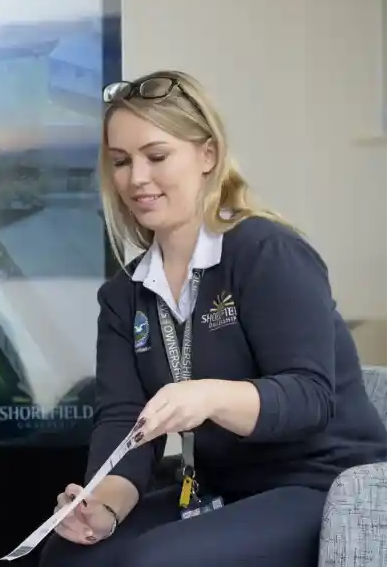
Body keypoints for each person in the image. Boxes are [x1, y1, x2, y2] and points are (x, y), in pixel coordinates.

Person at [38, 70, 387, 567]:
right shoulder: (124, 296)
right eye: (121, 162)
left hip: (322, 485)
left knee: (157, 563)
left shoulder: (265, 251)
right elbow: (123, 422)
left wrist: (208, 395)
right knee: (68, 557)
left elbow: (311, 396)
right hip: (225, 490)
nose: (137, 178)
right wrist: (103, 509)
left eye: (156, 156)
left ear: (207, 156)